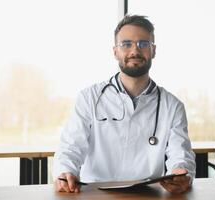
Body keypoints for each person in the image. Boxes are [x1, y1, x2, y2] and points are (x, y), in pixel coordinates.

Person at [53, 14, 196, 194]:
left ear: (154, 50)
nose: (134, 51)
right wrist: (65, 172)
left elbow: (180, 154)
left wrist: (181, 173)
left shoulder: (172, 105)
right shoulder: (89, 97)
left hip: (148, 195)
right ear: (115, 52)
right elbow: (70, 147)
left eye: (143, 44)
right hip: (96, 194)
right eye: (126, 44)